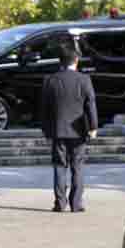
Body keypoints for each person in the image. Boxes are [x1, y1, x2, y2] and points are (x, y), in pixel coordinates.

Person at [38, 46, 98, 213]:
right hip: (79, 131)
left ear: (60, 62)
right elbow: (90, 105)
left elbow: (44, 108)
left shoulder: (50, 80)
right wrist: (93, 126)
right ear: (76, 61)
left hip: (57, 130)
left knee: (59, 166)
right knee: (77, 166)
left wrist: (45, 129)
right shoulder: (84, 80)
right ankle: (76, 204)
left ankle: (60, 203)